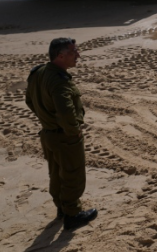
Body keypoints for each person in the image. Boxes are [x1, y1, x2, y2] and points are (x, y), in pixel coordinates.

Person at [25, 38, 98, 231]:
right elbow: (67, 114)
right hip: (64, 137)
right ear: (61, 55)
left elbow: (29, 101)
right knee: (73, 175)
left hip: (48, 134)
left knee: (56, 174)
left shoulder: (38, 72)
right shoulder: (59, 82)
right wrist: (73, 132)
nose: (78, 55)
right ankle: (72, 215)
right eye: (74, 52)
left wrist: (47, 118)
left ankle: (62, 209)